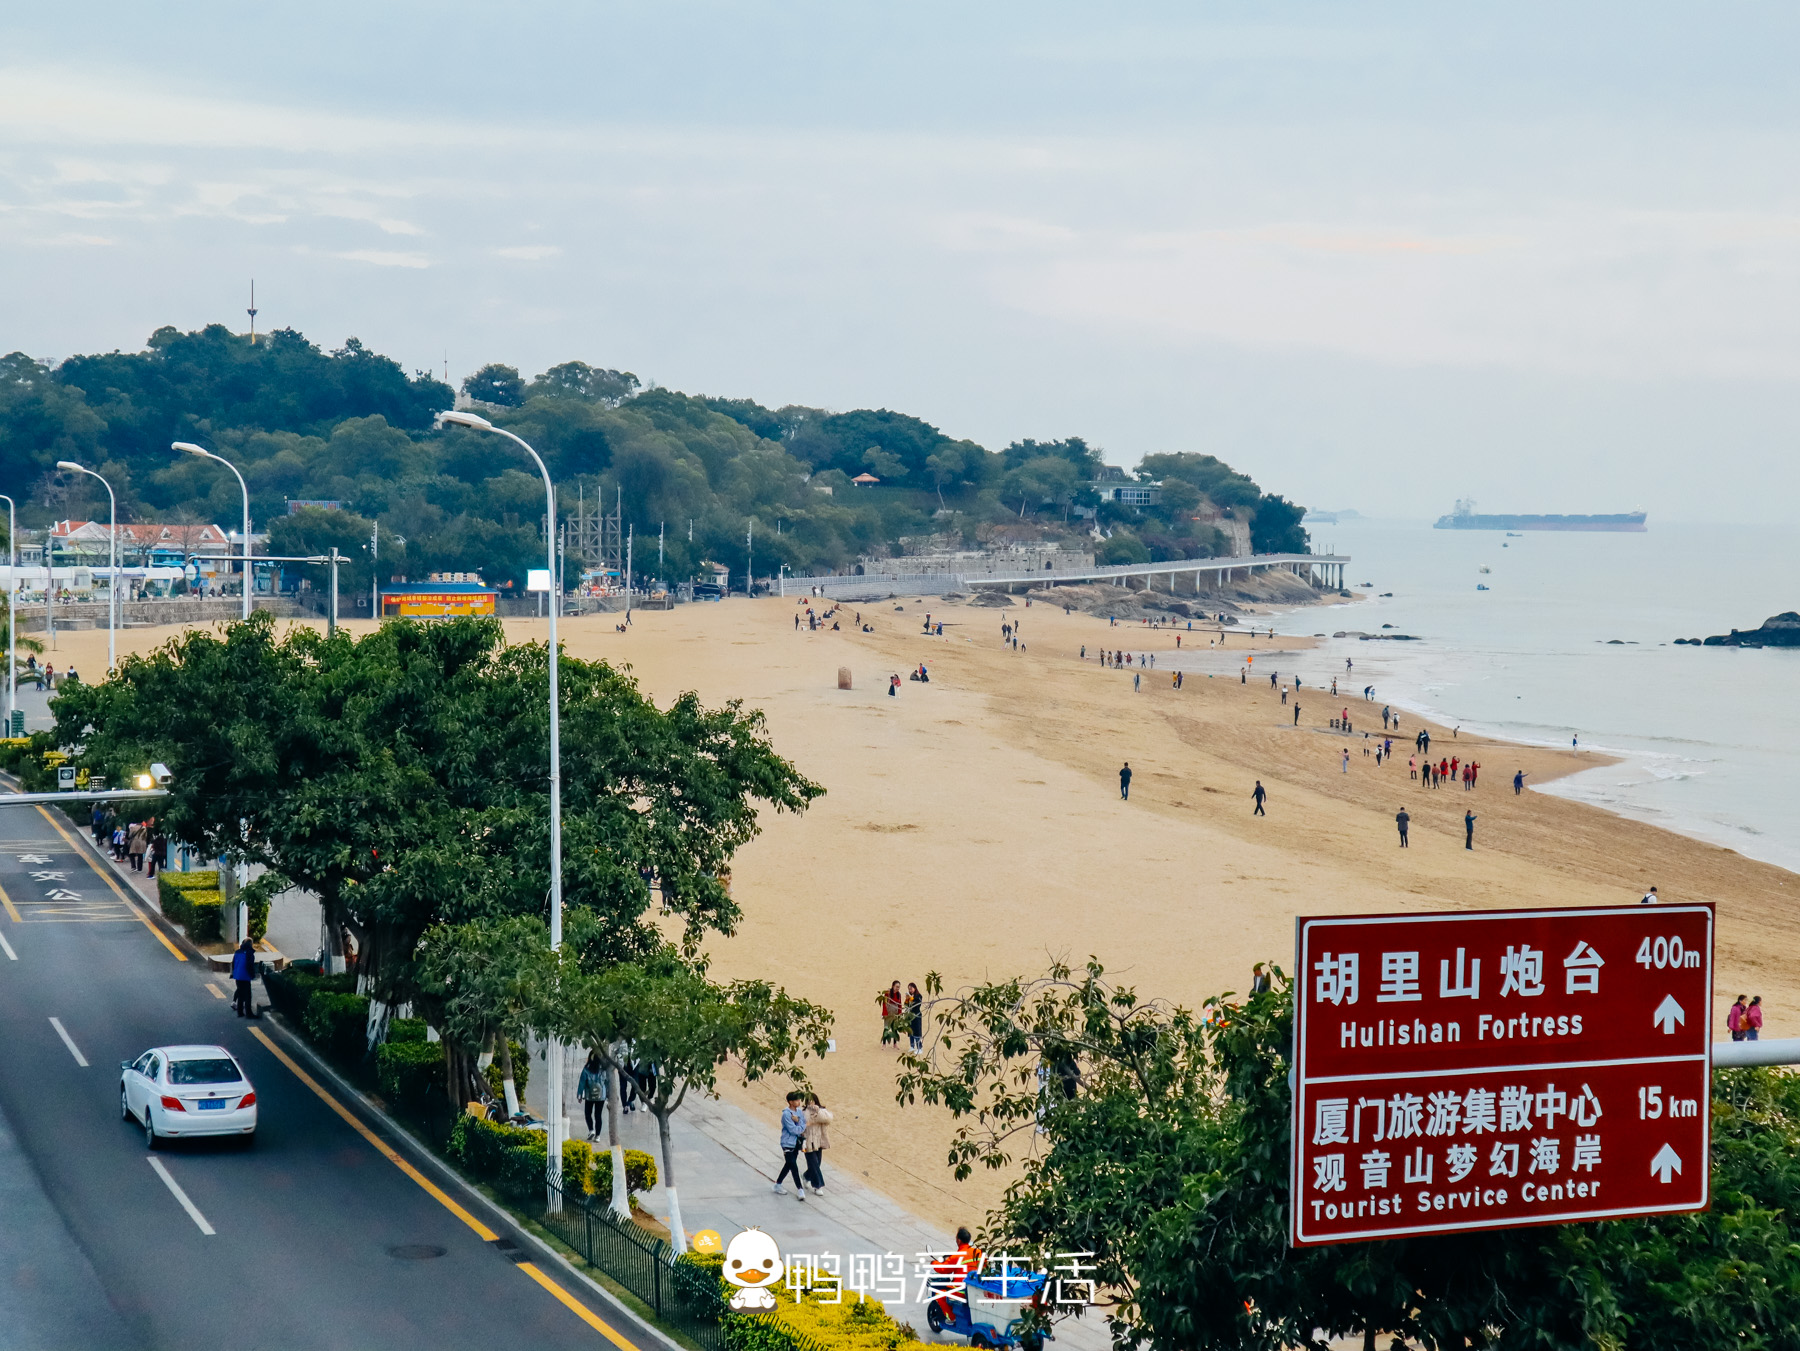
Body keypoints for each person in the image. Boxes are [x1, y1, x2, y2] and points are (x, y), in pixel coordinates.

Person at [774, 1091, 809, 1200]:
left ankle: (778, 1184)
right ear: (790, 1102)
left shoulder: (799, 1112)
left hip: (796, 1143)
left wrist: (799, 1121)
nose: (799, 1102)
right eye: (796, 1100)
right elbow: (794, 1130)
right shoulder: (786, 1114)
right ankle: (800, 1189)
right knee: (794, 1167)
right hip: (787, 1143)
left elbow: (802, 1123)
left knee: (789, 1165)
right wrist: (803, 1125)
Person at [801, 1092, 833, 1194]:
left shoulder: (822, 1111)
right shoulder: (803, 1112)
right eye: (809, 1102)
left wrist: (817, 1111)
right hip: (808, 1141)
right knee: (813, 1163)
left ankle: (806, 1176)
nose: (811, 1104)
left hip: (819, 1141)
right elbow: (803, 1124)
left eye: (812, 1101)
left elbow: (827, 1119)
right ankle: (818, 1186)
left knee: (817, 1162)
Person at [578, 1051, 607, 1141]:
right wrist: (609, 1095)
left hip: (589, 1096)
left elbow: (582, 1082)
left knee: (588, 1113)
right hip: (601, 1096)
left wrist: (579, 1095)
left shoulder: (587, 1069)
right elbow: (608, 1082)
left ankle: (591, 1130)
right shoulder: (604, 1069)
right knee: (598, 1115)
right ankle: (598, 1136)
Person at [230, 937, 256, 1017]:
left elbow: (233, 963)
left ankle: (240, 1012)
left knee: (241, 994)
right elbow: (250, 965)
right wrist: (252, 975)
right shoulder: (249, 952)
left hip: (237, 975)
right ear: (250, 944)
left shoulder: (237, 952)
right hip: (245, 976)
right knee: (248, 995)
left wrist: (233, 973)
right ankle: (249, 1013)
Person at [906, 982, 924, 1051]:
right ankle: (912, 1046)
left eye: (911, 988)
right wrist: (907, 999)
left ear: (915, 988)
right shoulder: (910, 996)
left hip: (916, 1015)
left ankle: (919, 1048)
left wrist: (911, 999)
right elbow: (906, 1005)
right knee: (911, 1032)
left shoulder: (919, 996)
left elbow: (917, 1004)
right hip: (910, 1015)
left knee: (917, 1032)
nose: (910, 990)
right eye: (909, 989)